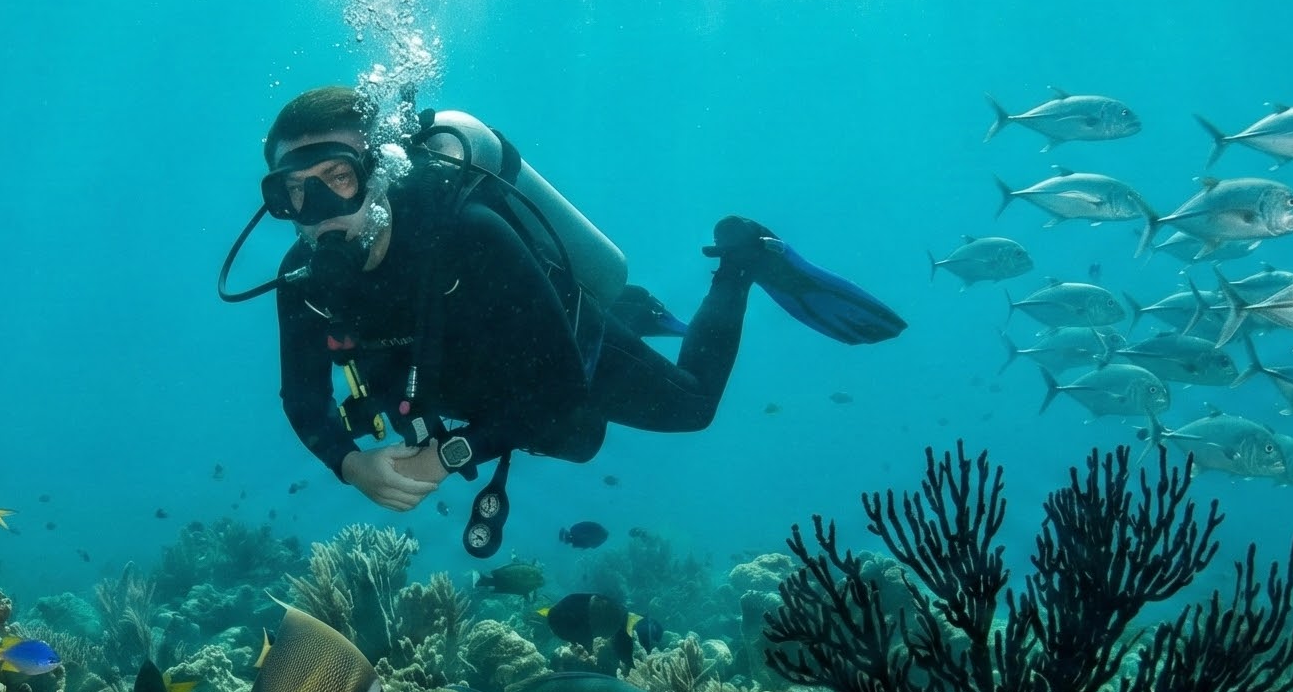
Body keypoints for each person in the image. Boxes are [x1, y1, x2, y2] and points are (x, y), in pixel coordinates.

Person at [242, 86, 902, 539]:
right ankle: (640, 312)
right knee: (579, 445)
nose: (317, 214)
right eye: (292, 194)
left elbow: (558, 387)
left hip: (558, 352)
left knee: (691, 409)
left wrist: (447, 456)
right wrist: (350, 465)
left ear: (378, 170)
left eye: (337, 180)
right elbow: (302, 398)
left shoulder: (466, 230)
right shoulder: (303, 283)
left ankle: (741, 262)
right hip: (478, 385)